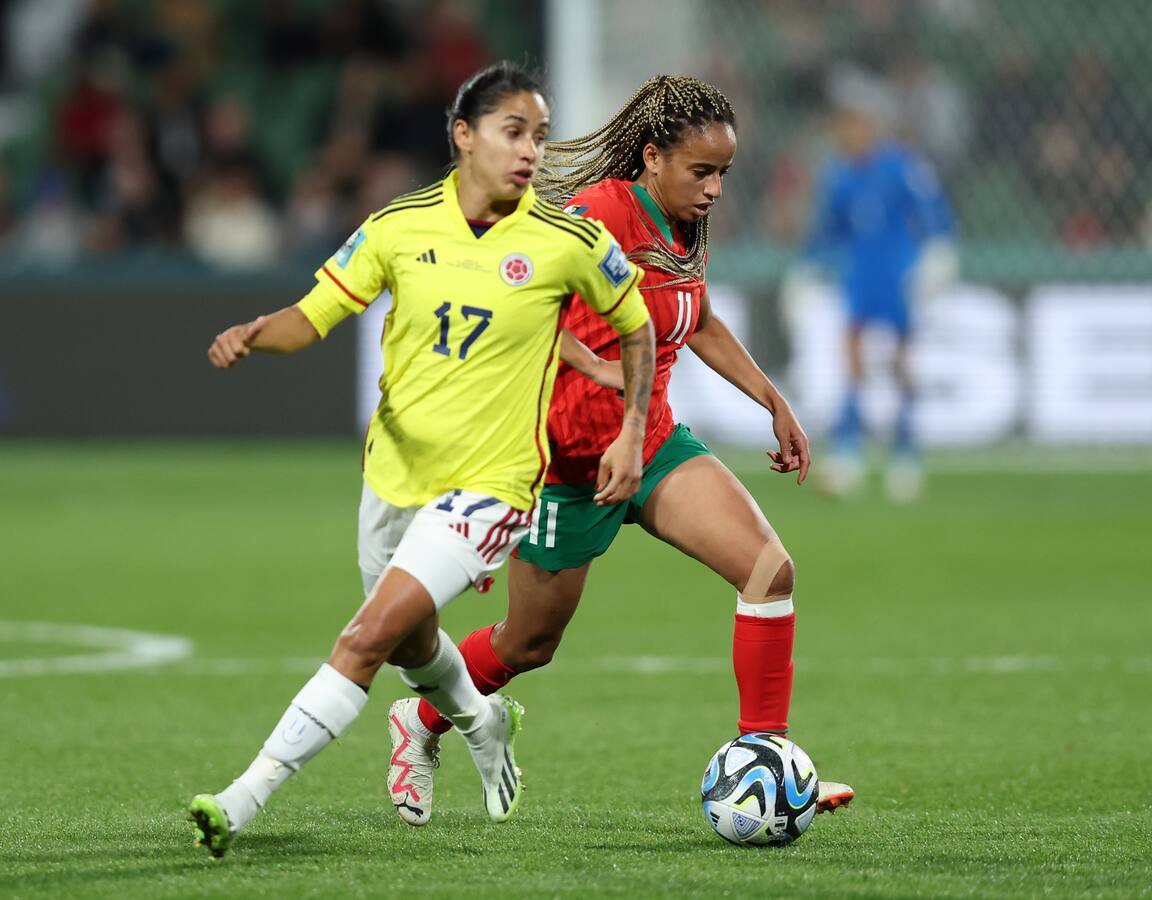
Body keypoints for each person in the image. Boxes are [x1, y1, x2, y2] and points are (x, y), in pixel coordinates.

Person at [188, 61, 656, 857]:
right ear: (463, 136)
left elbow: (636, 324)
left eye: (539, 137)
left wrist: (634, 425)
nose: (530, 152)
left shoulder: (568, 239)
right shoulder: (400, 226)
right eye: (514, 132)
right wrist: (255, 332)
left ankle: (241, 798)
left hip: (493, 486)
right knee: (409, 642)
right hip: (394, 474)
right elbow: (316, 313)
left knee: (366, 638)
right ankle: (481, 717)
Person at [384, 75, 854, 826]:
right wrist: (599, 374)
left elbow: (693, 319)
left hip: (653, 445)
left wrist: (772, 399)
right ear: (651, 157)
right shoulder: (593, 218)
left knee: (768, 570)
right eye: (701, 172)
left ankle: (765, 764)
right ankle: (421, 721)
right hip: (567, 468)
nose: (714, 191)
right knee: (527, 643)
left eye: (724, 174)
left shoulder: (681, 228)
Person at [803, 69, 957, 502]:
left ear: (870, 124)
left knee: (899, 362)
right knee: (851, 360)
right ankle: (849, 451)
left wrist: (938, 254)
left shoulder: (901, 166)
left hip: (897, 274)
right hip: (859, 275)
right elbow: (826, 233)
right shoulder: (840, 174)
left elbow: (933, 214)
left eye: (851, 122)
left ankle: (906, 450)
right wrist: (807, 270)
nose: (844, 132)